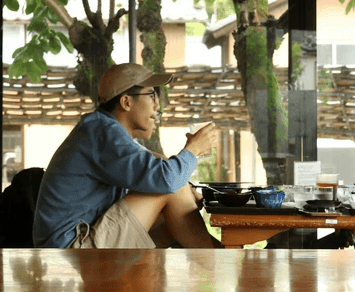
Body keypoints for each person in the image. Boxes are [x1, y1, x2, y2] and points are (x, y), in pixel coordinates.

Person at [33, 63, 221, 249]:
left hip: (82, 242)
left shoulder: (104, 132)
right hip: (72, 250)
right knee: (173, 189)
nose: (158, 106)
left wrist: (186, 187)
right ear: (126, 102)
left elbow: (158, 167)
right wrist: (194, 149)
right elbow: (167, 179)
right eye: (151, 95)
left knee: (173, 214)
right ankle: (219, 264)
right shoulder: (103, 132)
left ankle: (218, 260)